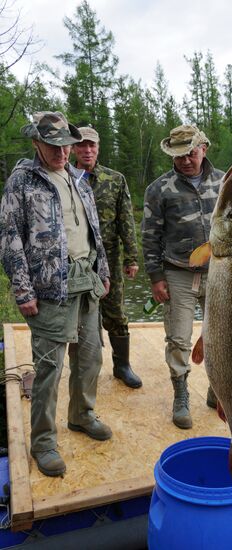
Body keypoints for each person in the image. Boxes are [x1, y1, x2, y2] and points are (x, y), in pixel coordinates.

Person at [0, 112, 112, 478]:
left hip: (86, 282)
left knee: (91, 357)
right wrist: (22, 290)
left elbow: (94, 229)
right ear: (37, 144)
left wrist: (104, 272)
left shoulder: (78, 178)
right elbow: (10, 237)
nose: (63, 151)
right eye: (54, 145)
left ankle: (82, 415)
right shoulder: (22, 181)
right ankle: (43, 441)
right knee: (49, 368)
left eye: (67, 144)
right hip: (48, 289)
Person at [141, 125, 224, 429]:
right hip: (176, 271)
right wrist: (155, 277)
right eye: (179, 155)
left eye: (191, 152)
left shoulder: (224, 181)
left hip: (219, 273)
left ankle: (218, 391)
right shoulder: (159, 189)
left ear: (204, 148)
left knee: (220, 336)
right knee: (179, 338)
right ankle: (181, 395)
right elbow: (150, 236)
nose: (186, 160)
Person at [72, 127, 142, 389]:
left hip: (109, 259)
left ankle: (122, 365)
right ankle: (84, 370)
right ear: (74, 148)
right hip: (76, 261)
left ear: (98, 148)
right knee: (79, 315)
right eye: (81, 146)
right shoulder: (66, 178)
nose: (87, 150)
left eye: (91, 146)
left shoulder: (115, 179)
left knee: (116, 313)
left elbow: (126, 221)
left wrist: (132, 258)